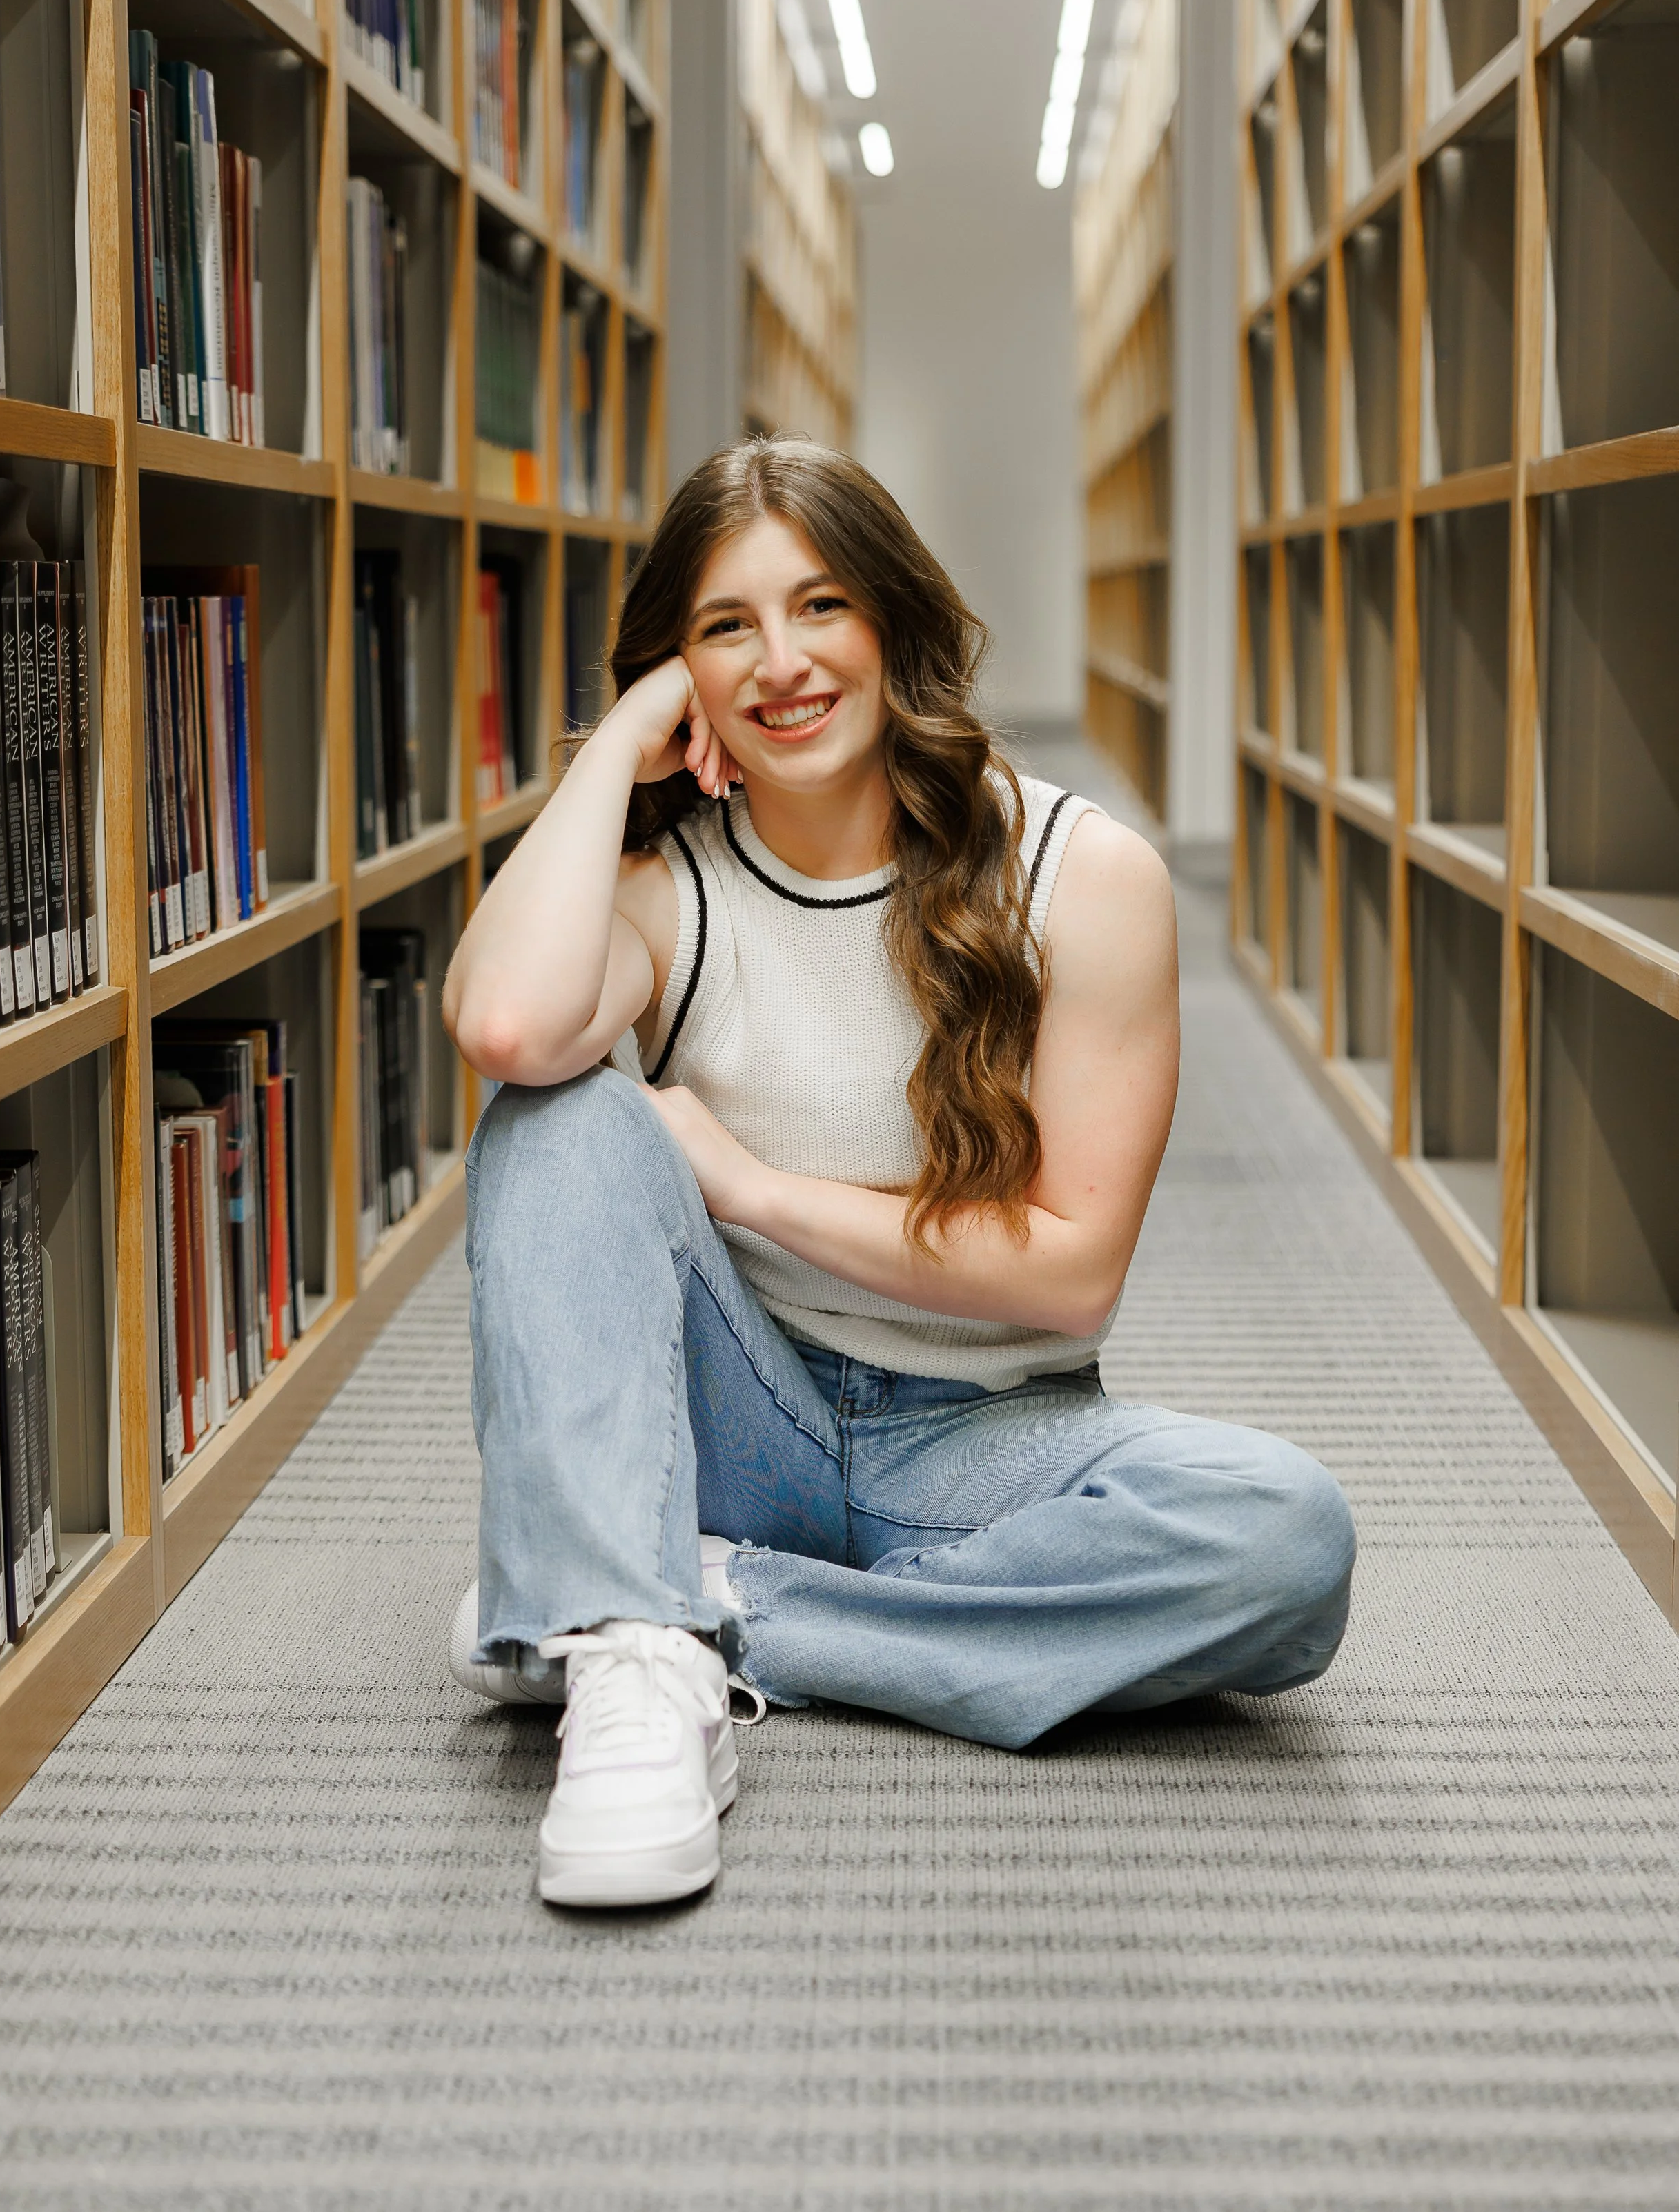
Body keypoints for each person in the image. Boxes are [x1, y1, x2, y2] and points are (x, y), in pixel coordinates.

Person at [443, 439, 1355, 1909]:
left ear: (892, 623)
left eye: (820, 607)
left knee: (1283, 1538)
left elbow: (1069, 1271)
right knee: (554, 1115)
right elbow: (502, 1024)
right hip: (745, 1412)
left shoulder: (1078, 874)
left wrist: (748, 1188)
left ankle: (673, 1611)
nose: (780, 661)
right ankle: (632, 1648)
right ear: (679, 670)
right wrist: (617, 746)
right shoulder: (670, 890)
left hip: (983, 1439)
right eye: (723, 627)